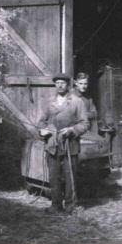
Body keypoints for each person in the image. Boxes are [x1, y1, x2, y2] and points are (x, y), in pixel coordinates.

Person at [37, 73, 88, 215]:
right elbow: (41, 122)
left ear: (68, 85)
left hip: (69, 144)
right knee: (54, 176)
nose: (59, 85)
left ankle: (70, 204)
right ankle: (56, 205)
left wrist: (72, 129)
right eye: (57, 83)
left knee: (69, 175)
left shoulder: (77, 102)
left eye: (63, 83)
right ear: (55, 85)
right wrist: (43, 130)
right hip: (52, 144)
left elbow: (85, 124)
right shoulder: (48, 102)